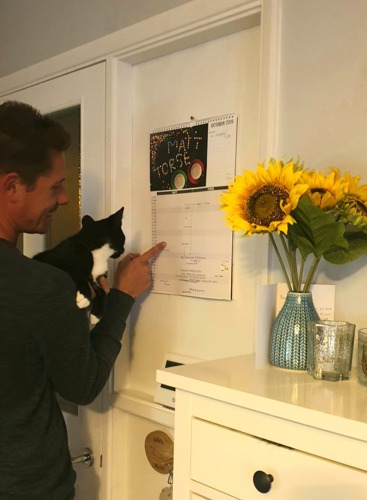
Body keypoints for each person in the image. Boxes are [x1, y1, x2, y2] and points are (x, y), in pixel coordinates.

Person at [0, 101, 166, 499]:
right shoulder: (40, 286)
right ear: (11, 187)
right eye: (54, 186)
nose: (61, 200)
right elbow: (83, 385)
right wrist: (123, 295)